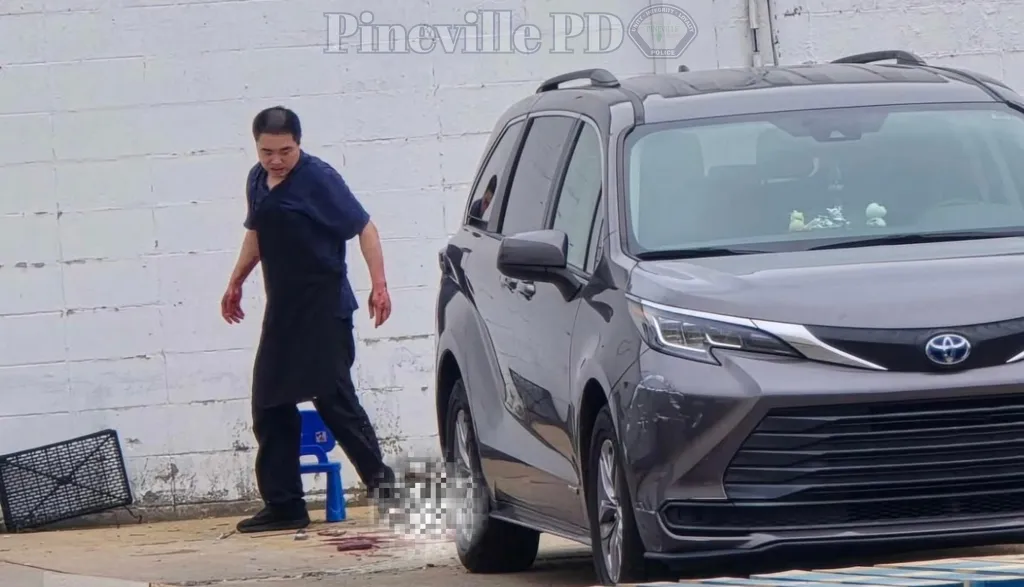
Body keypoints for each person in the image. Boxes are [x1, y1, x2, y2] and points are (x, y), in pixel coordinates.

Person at [221, 106, 396, 534]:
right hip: (284, 311)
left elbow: (365, 228)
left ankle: (386, 491)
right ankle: (285, 505)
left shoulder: (319, 179)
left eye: (285, 150)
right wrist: (236, 282)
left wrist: (379, 285)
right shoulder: (257, 180)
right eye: (267, 151)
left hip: (324, 309)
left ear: (299, 143)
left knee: (333, 400)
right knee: (269, 404)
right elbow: (257, 233)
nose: (276, 160)